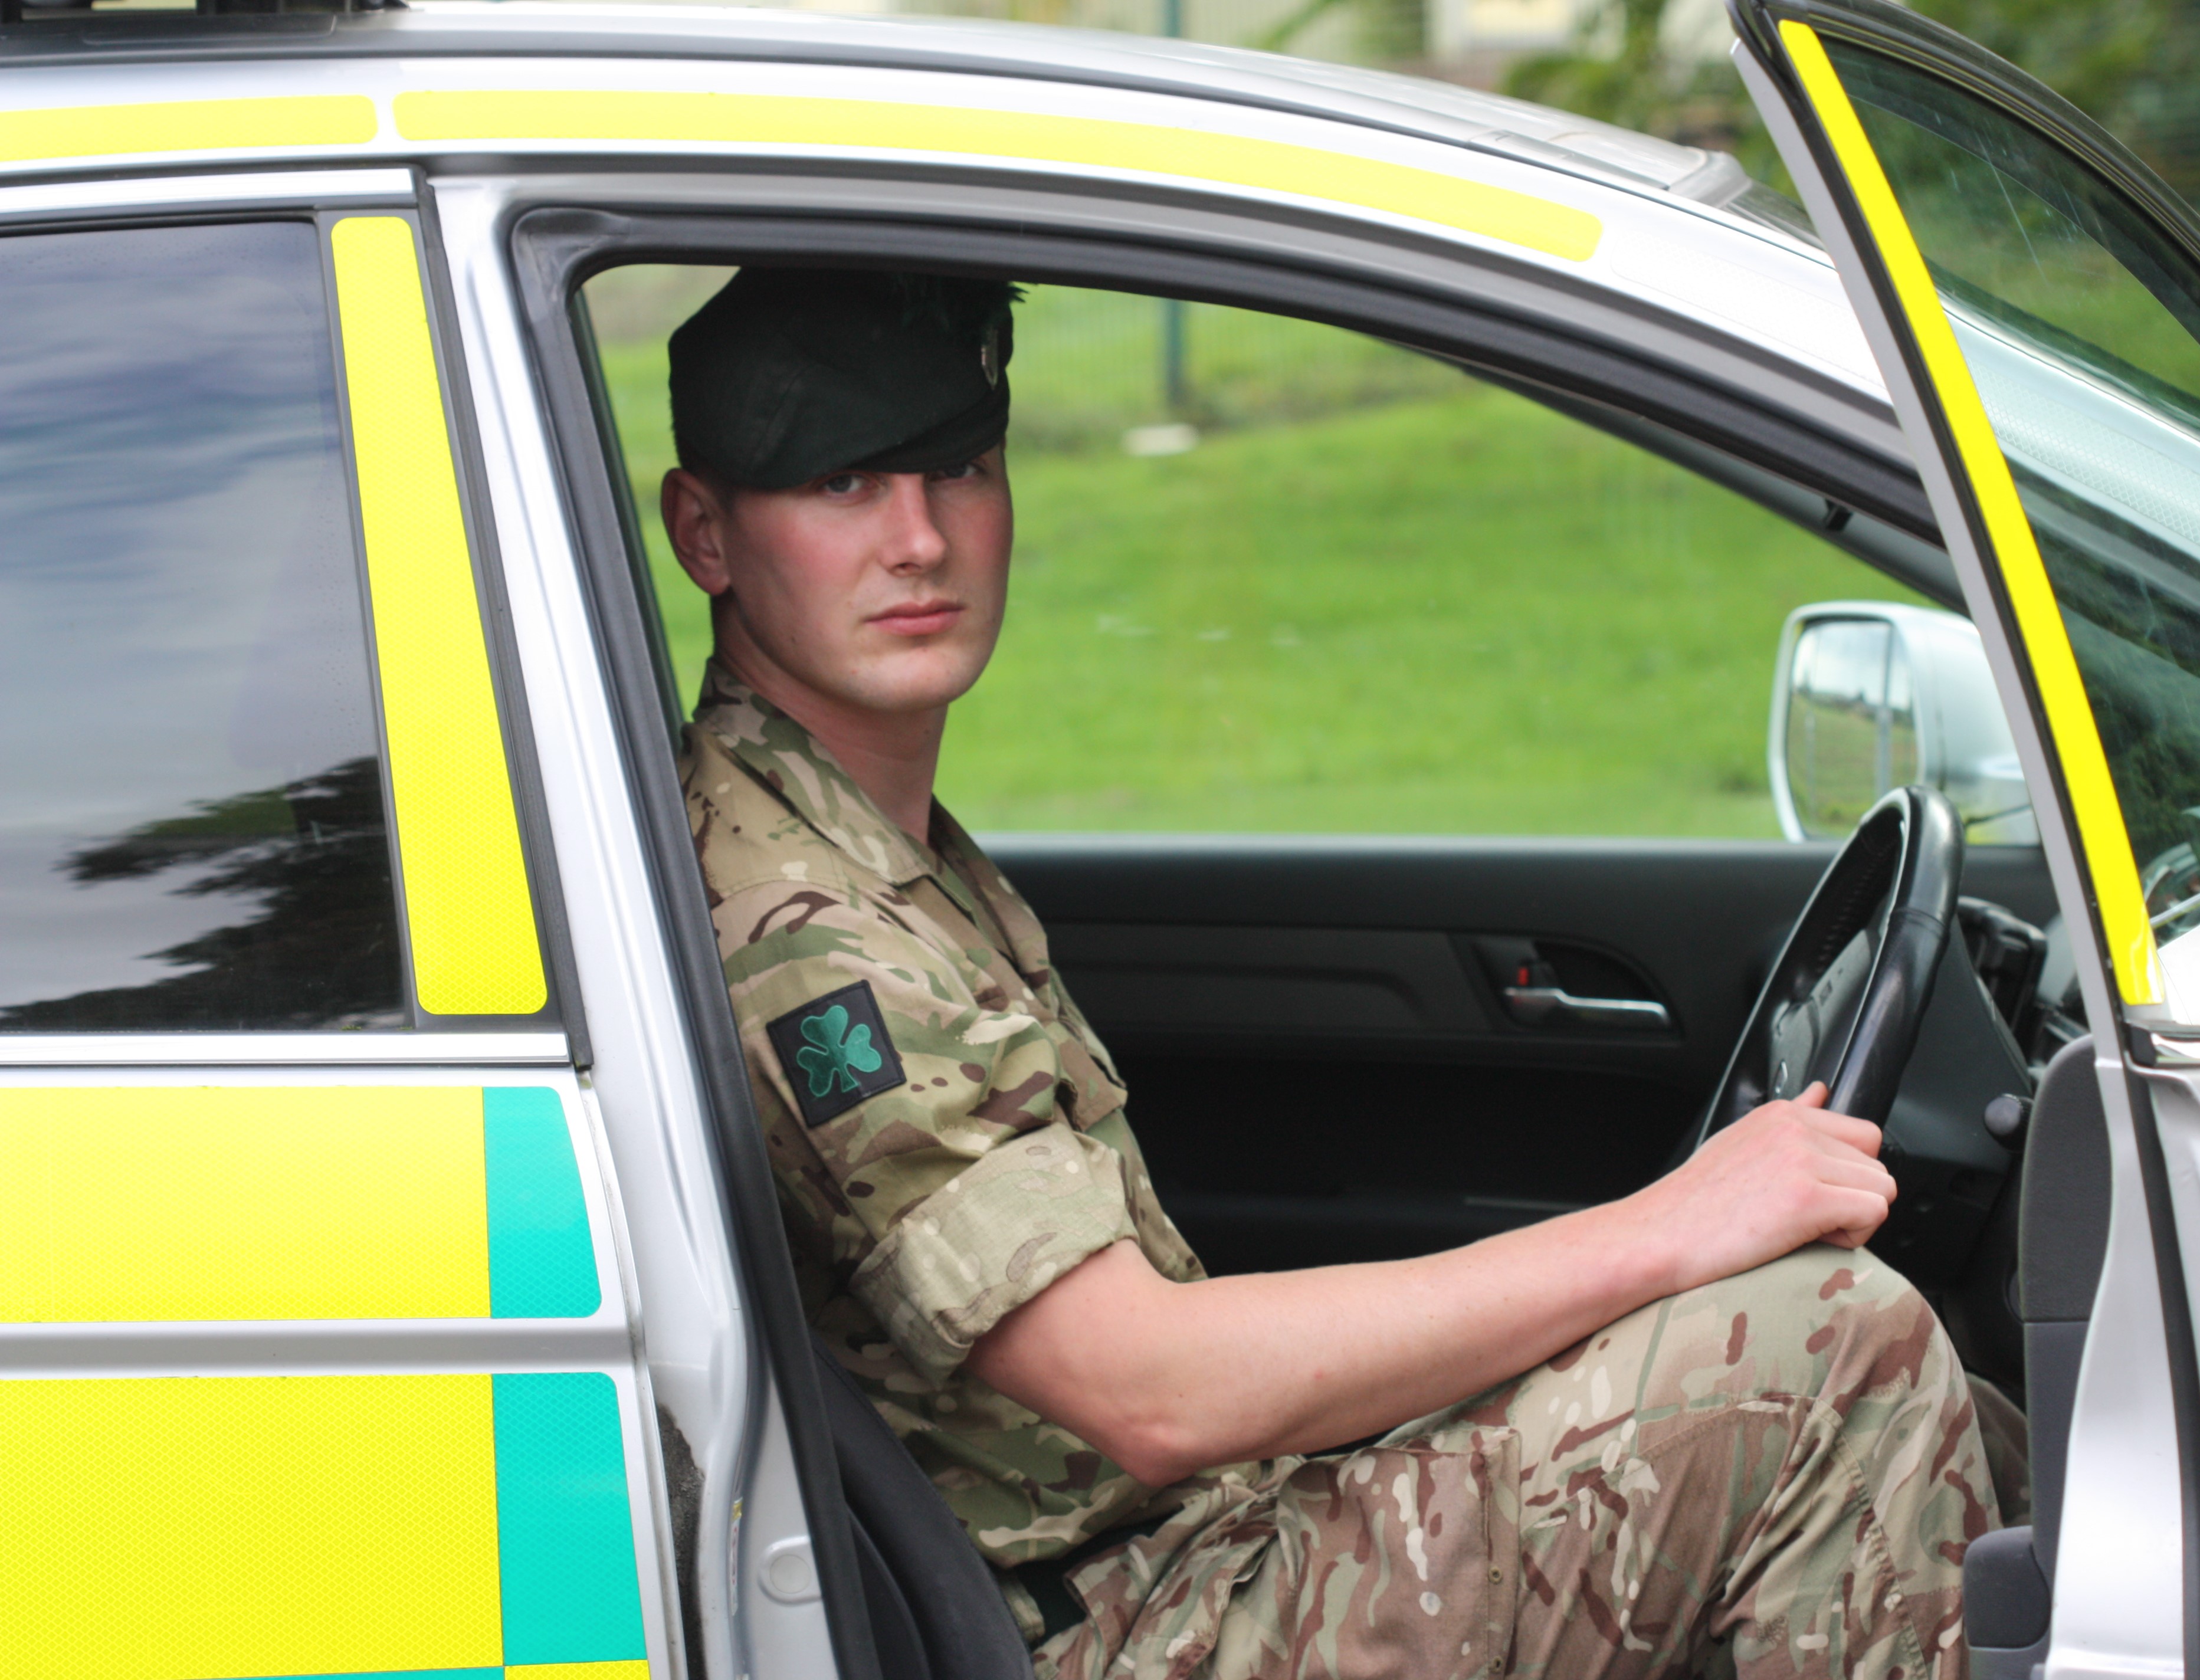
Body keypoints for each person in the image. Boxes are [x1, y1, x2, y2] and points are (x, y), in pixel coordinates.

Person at [666, 267, 2021, 1680]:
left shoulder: (848, 831)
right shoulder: (808, 929)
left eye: (959, 464)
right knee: (1830, 1349)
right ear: (706, 531)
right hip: (1129, 1625)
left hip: (1166, 1555)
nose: (921, 537)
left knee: (1968, 1421)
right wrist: (1669, 1226)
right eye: (839, 484)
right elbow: (1150, 1387)